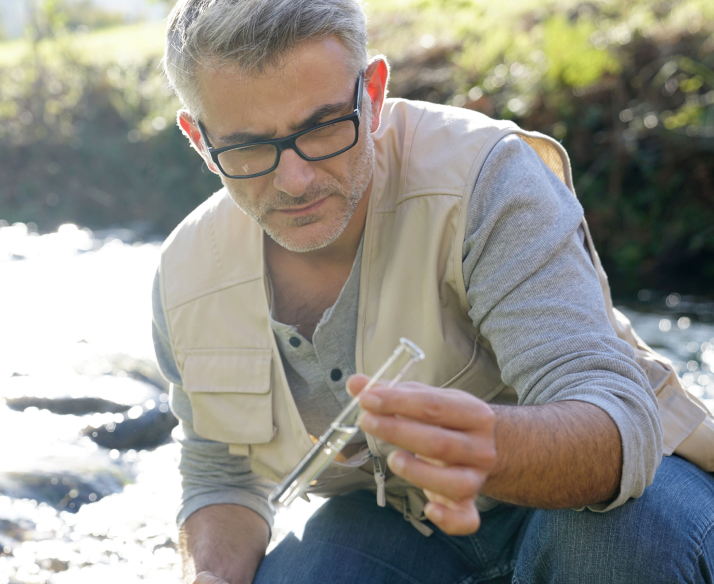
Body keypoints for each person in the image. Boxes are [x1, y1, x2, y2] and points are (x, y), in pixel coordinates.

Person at [149, 0, 714, 582]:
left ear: (372, 93)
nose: (295, 180)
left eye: (321, 127)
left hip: (620, 498)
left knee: (624, 543)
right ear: (198, 137)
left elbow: (612, 412)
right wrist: (209, 574)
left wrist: (489, 447)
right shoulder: (187, 274)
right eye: (246, 147)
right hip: (400, 524)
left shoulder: (486, 177)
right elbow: (223, 473)